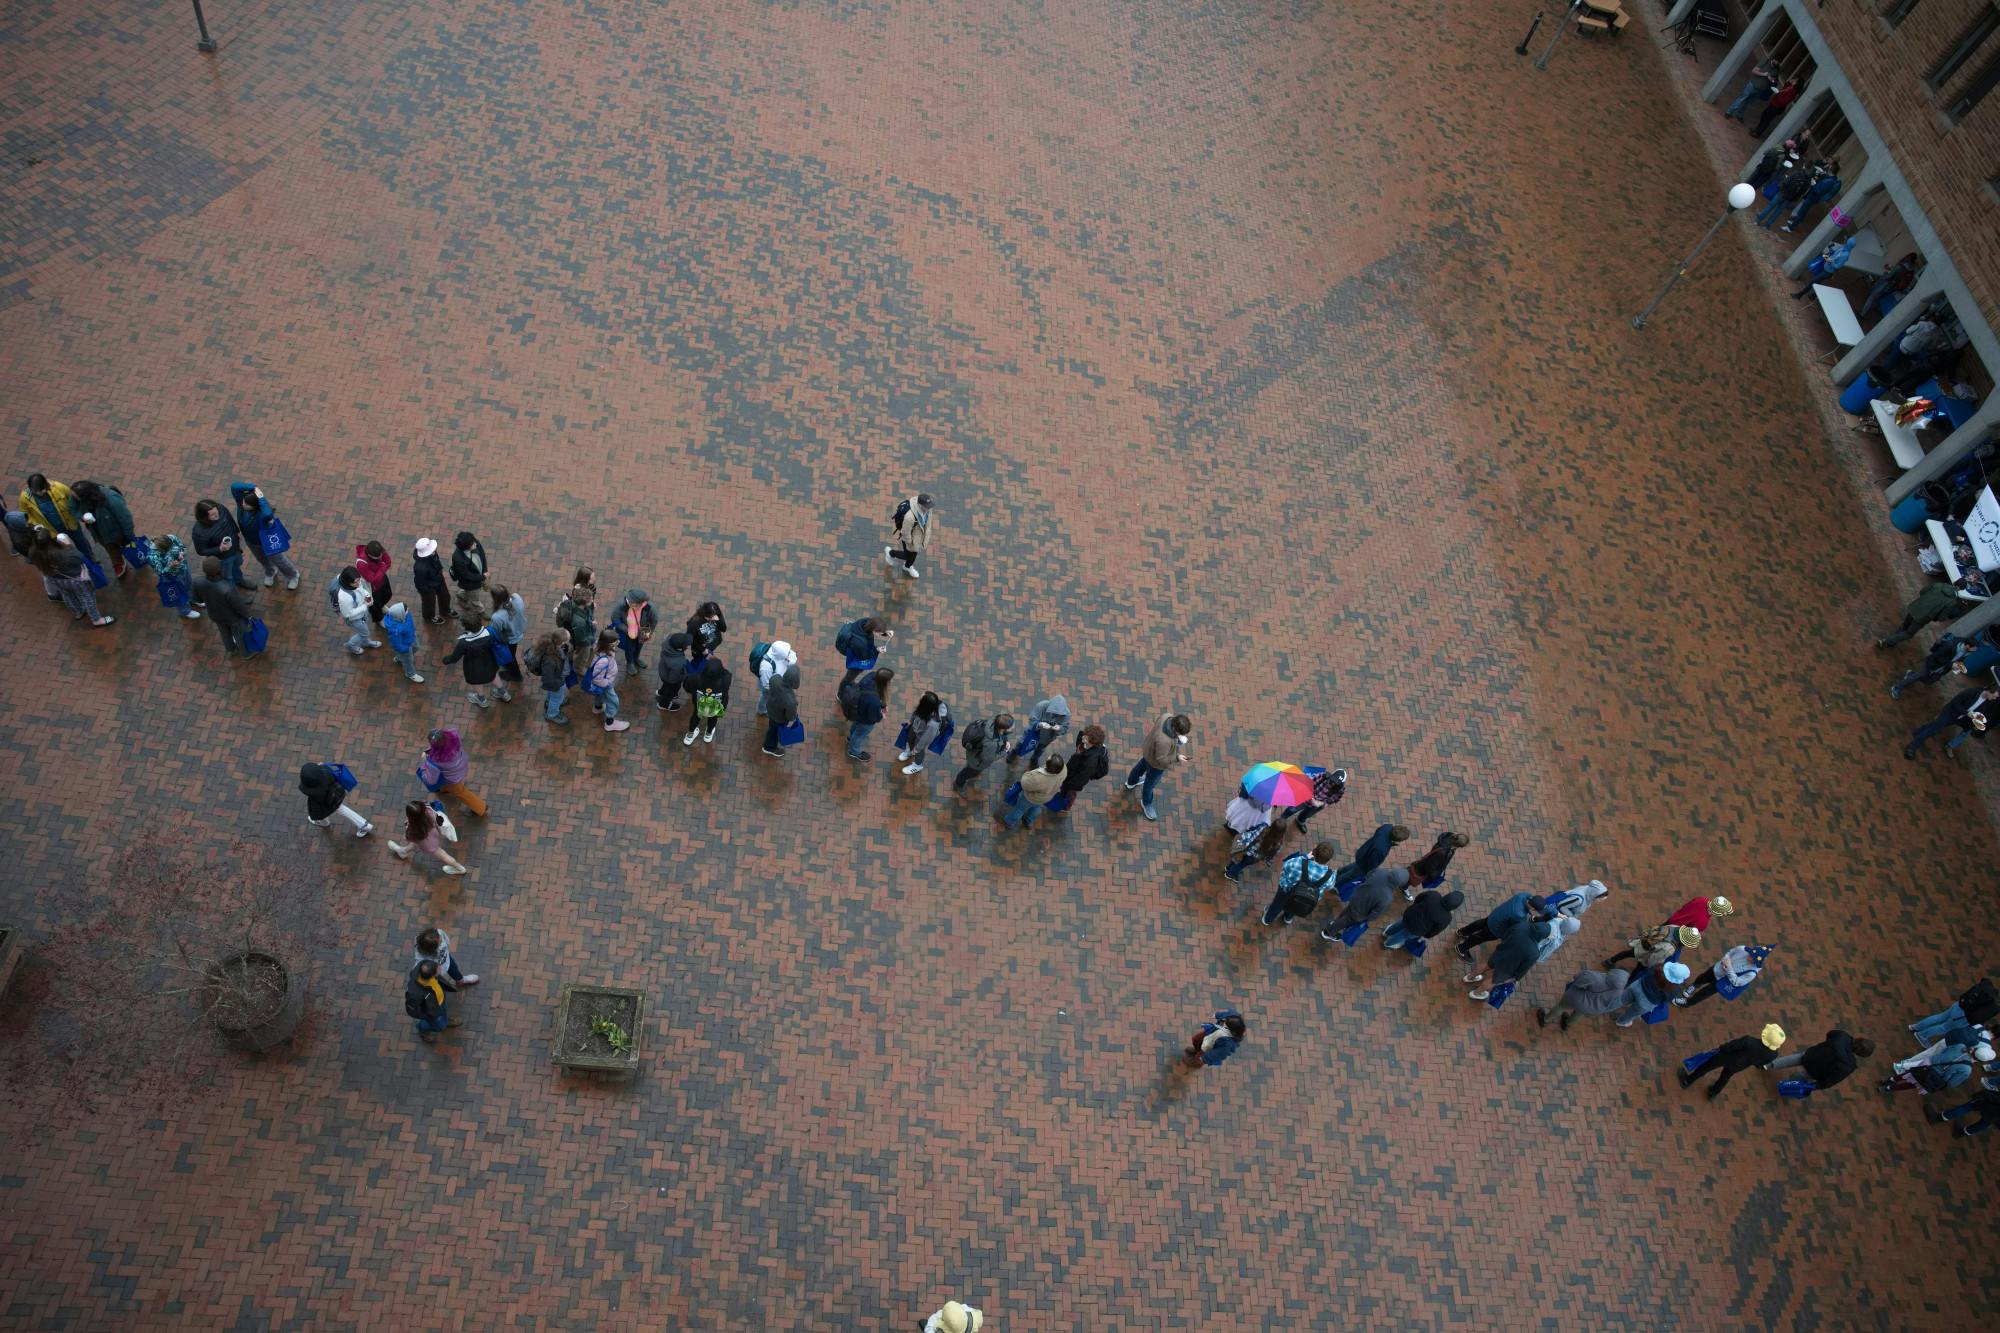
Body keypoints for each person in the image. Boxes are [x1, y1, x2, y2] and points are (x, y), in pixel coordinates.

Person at [1679, 1025, 1788, 1101]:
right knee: (1725, 1076)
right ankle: (1713, 1092)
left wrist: (1722, 1048)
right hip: (1740, 1065)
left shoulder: (1749, 1041)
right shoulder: (1773, 1054)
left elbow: (1731, 1046)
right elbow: (1760, 1064)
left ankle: (1687, 1081)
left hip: (1725, 1057)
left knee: (1706, 1067)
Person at [29, 531, 113, 626]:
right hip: (75, 580)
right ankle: (96, 619)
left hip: (55, 579)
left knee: (67, 595)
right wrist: (69, 545)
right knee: (87, 597)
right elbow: (79, 558)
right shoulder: (63, 553)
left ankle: (78, 612)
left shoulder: (33, 553)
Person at [230, 484, 301, 590]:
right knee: (261, 559)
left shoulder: (262, 515)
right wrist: (253, 488)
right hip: (252, 542)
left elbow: (268, 514)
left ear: (254, 506)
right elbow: (234, 487)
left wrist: (261, 497)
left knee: (279, 560)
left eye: (246, 503)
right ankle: (271, 571)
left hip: (267, 542)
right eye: (243, 501)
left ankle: (293, 575)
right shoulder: (242, 506)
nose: (242, 503)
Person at [1124, 712, 1192, 822]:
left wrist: (1176, 740)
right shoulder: (1164, 741)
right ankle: (1146, 803)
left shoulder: (1167, 716)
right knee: (1150, 784)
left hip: (1149, 750)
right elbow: (1162, 759)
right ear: (1176, 730)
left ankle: (1131, 782)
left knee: (1141, 766)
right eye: (1180, 733)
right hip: (1155, 764)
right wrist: (1177, 757)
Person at [1876, 578, 1979, 648]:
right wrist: (1935, 617)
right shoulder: (1951, 601)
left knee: (1904, 626)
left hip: (1915, 607)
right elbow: (1942, 617)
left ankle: (1893, 639)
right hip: (1923, 617)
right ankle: (1887, 641)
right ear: (1960, 589)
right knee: (1908, 633)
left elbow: (1922, 591)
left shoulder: (1938, 585)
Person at [1468, 918, 1551, 1003]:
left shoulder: (1521, 926)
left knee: (1486, 965)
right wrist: (1517, 978)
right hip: (1508, 967)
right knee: (1493, 980)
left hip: (1501, 952)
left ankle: (1470, 977)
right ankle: (1476, 993)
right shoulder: (1534, 953)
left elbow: (1506, 934)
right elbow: (1524, 968)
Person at [1904, 684, 2000, 758]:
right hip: (1949, 712)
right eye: (1994, 696)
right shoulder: (1972, 692)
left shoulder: (1987, 703)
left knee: (1934, 725)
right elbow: (1955, 702)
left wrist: (1976, 722)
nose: (1994, 699)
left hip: (1957, 718)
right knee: (1934, 730)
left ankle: (1917, 732)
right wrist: (1966, 713)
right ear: (1988, 691)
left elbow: (1979, 714)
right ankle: (1912, 747)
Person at [1324, 866, 1409, 944]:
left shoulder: (1381, 872)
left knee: (1347, 911)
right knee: (1346, 921)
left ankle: (1335, 923)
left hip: (1356, 896)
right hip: (1360, 912)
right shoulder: (1387, 898)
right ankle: (1328, 932)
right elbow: (1375, 914)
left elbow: (1368, 875)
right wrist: (1366, 919)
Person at [1454, 892, 1547, 961]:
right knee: (1479, 937)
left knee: (1480, 923)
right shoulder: (1520, 915)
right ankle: (1461, 948)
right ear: (1533, 908)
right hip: (1496, 929)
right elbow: (1515, 927)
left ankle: (1462, 932)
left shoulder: (1523, 895)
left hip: (1495, 915)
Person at [1769, 1031, 1871, 1092]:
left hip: (1812, 1055)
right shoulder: (1849, 1065)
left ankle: (1770, 1064)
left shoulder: (1842, 1036)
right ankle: (1785, 1086)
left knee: (1794, 1059)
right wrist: (1817, 1086)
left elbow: (1830, 1034)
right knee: (1801, 1077)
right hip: (1816, 1072)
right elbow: (1832, 1080)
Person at [71, 481, 136, 577]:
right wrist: (82, 517)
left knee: (129, 545)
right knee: (110, 548)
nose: (73, 498)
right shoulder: (76, 498)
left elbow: (125, 518)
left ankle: (135, 555)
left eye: (76, 496)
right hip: (101, 533)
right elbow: (72, 508)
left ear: (86, 496)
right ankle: (118, 563)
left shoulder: (111, 498)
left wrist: (130, 536)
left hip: (118, 532)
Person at [1675, 944, 1772, 1008]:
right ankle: (1695, 985)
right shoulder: (1742, 949)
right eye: (1751, 954)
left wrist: (1729, 968)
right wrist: (1724, 960)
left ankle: (1687, 1003)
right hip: (1717, 969)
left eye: (1753, 958)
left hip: (1722, 982)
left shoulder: (1751, 973)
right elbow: (1729, 953)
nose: (1749, 957)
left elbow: (1736, 982)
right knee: (1702, 978)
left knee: (1704, 993)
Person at [1537, 966, 1632, 1031]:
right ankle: (1567, 1023)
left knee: (1561, 1006)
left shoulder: (1596, 977)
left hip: (1575, 998)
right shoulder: (1619, 993)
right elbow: (1610, 1006)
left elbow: (1577, 979)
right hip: (1590, 1008)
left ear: (1614, 972)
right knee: (1578, 1014)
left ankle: (1545, 1019)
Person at [442, 609, 504, 708]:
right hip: (490, 662)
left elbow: (454, 658)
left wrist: (446, 660)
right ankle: (503, 693)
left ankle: (482, 700)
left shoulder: (464, 643)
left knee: (476, 682)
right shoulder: (489, 632)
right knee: (493, 675)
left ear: (466, 626)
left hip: (473, 668)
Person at [418, 728, 487, 819]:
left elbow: (431, 780)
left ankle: (480, 807)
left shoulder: (434, 761)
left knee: (461, 792)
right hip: (460, 769)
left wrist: (424, 766)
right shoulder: (454, 738)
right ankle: (444, 789)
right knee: (452, 787)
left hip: (451, 780)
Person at [1264, 843, 1337, 927]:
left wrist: (1305, 857)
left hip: (1287, 890)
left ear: (1314, 852)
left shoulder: (1298, 862)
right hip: (1307, 896)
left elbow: (1286, 866)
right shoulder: (1330, 876)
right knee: (1296, 905)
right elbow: (1330, 886)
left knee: (1277, 904)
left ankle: (1268, 919)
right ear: (1328, 860)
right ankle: (1288, 918)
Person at [388, 800, 468, 875]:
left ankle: (459, 868)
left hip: (427, 843)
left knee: (443, 855)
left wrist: (406, 833)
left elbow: (408, 837)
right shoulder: (429, 811)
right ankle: (403, 851)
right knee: (415, 844)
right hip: (433, 835)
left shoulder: (414, 827)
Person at [1882, 1041, 1993, 1095]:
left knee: (1911, 1072)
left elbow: (1944, 1051)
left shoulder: (1960, 1046)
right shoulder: (1967, 1070)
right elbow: (1952, 1082)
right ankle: (1889, 1089)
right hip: (1935, 1076)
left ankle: (1891, 1079)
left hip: (1929, 1062)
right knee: (1912, 1083)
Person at [192, 555, 253, 654]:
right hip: (233, 618)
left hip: (214, 615)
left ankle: (231, 650)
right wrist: (248, 616)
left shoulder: (197, 581)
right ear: (220, 570)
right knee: (239, 635)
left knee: (224, 633)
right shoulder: (228, 588)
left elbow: (197, 599)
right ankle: (245, 653)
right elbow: (239, 606)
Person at [1911, 978, 1999, 1044]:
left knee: (1939, 1017)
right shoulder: (1994, 1006)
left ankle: (1915, 1027)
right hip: (1963, 1017)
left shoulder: (1986, 985)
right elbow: (1978, 1017)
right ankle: (1922, 1035)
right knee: (1944, 1028)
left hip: (1959, 1005)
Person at [298, 762, 373, 837]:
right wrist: (321, 767)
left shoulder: (313, 792)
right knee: (341, 809)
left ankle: (324, 823)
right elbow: (333, 768)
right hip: (336, 794)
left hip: (325, 803)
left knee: (319, 814)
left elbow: (306, 791)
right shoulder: (326, 771)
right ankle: (364, 825)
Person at [191, 498, 252, 589]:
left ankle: (239, 580)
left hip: (235, 548)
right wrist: (220, 549)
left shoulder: (221, 509)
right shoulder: (199, 531)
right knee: (227, 577)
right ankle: (233, 594)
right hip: (222, 558)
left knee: (236, 566)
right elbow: (201, 550)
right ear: (204, 517)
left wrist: (236, 531)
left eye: (217, 512)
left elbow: (230, 520)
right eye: (213, 515)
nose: (217, 516)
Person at [1609, 960, 1691, 1028]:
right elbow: (1664, 1001)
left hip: (1637, 986)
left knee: (1620, 1000)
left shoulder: (1657, 968)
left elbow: (1646, 972)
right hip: (1646, 1003)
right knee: (1631, 1014)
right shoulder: (1673, 990)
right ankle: (1621, 1022)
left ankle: (1606, 1007)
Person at [1333, 823, 1411, 891]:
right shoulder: (1381, 850)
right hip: (1364, 864)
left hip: (1363, 852)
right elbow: (1372, 863)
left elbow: (1378, 832)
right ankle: (1335, 883)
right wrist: (1370, 872)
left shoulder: (1387, 827)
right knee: (1351, 875)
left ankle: (1338, 872)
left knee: (1354, 866)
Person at [1889, 632, 1969, 698]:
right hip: (1933, 663)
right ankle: (1897, 687)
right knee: (1920, 675)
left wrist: (1958, 667)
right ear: (1967, 645)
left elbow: (1959, 660)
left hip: (1941, 669)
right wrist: (1951, 665)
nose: (1974, 650)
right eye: (1974, 648)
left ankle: (1911, 674)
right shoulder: (1951, 646)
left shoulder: (1967, 652)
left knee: (1929, 681)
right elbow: (1937, 656)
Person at [1383, 888, 1463, 954]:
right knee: (1403, 935)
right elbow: (1436, 930)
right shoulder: (1446, 918)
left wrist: (1415, 907)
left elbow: (1419, 898)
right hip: (1417, 930)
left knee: (1400, 924)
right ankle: (1388, 944)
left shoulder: (1434, 895)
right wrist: (1427, 935)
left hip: (1410, 915)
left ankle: (1387, 933)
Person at [1048, 725, 1108, 810]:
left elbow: (1079, 781)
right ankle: (1063, 793)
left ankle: (1067, 806)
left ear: (1092, 743)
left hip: (1073, 782)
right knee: (1065, 789)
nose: (1082, 737)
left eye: (1086, 738)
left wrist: (1067, 784)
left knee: (1070, 793)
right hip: (1072, 771)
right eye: (1084, 735)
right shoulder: (1084, 743)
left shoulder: (1090, 762)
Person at [952, 713, 1014, 794]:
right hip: (977, 762)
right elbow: (987, 758)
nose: (1013, 728)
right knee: (968, 773)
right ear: (1003, 729)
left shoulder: (992, 723)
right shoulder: (991, 743)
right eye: (1012, 727)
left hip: (974, 754)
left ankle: (969, 771)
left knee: (970, 769)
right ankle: (958, 784)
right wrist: (1005, 751)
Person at [840, 666, 893, 761]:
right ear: (884, 682)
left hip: (858, 711)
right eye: (889, 680)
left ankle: (850, 738)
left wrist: (881, 704)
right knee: (860, 735)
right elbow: (873, 718)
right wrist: (881, 715)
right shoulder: (873, 700)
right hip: (865, 719)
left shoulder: (870, 676)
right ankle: (854, 752)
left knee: (856, 726)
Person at [147, 534, 204, 621]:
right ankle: (184, 611)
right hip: (172, 577)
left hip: (184, 568)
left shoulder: (171, 537)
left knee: (189, 584)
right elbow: (160, 572)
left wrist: (182, 553)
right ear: (162, 549)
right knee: (179, 593)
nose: (171, 550)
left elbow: (182, 546)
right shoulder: (152, 556)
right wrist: (170, 566)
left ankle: (192, 599)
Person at [584, 628, 631, 734]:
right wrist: (608, 683)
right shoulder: (603, 660)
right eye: (616, 642)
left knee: (599, 695)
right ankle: (610, 723)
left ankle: (598, 707)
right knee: (613, 702)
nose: (618, 643)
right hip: (605, 683)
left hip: (604, 682)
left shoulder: (600, 646)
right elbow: (597, 679)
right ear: (608, 644)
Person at [1002, 754, 1066, 830]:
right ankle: (1029, 821)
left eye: (1049, 758)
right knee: (1036, 808)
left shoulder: (1038, 779)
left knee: (1019, 809)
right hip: (1046, 797)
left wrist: (1029, 773)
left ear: (1048, 766)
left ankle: (1009, 822)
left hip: (1030, 798)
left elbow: (1024, 783)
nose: (1048, 756)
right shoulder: (1064, 769)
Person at [486, 584, 528, 697]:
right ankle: (512, 668)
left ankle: (515, 675)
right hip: (519, 630)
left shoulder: (497, 616)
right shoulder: (517, 598)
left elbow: (495, 631)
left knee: (510, 657)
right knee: (511, 654)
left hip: (509, 639)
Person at [1603, 923, 1701, 970]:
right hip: (1645, 952)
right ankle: (1628, 983)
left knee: (1629, 953)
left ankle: (1610, 961)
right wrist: (1647, 965)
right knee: (1639, 969)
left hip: (1646, 940)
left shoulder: (1675, 927)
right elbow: (1654, 958)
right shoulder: (1670, 948)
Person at [525, 629, 574, 725]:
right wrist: (558, 683)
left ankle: (549, 701)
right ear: (561, 642)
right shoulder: (550, 661)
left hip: (557, 678)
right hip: (556, 682)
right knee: (557, 697)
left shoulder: (551, 643)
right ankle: (552, 714)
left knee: (554, 695)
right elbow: (548, 679)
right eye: (566, 640)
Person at [898, 691, 952, 776]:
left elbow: (927, 738)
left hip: (922, 735)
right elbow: (916, 712)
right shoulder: (924, 708)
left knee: (919, 750)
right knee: (910, 739)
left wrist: (918, 748)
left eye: (922, 698)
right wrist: (911, 721)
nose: (920, 698)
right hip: (916, 727)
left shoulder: (933, 723)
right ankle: (909, 751)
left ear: (925, 705)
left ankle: (917, 765)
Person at [884, 491, 935, 579]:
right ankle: (891, 553)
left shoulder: (927, 510)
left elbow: (928, 524)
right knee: (908, 556)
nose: (929, 508)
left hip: (918, 537)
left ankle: (907, 566)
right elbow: (905, 532)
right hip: (910, 539)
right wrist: (911, 543)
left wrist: (925, 539)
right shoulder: (910, 517)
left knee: (912, 555)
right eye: (927, 507)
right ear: (921, 505)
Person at [1010, 693, 1071, 765]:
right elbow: (1032, 720)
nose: (1055, 715)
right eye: (1053, 713)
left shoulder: (1067, 715)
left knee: (1040, 749)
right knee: (1022, 742)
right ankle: (1015, 752)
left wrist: (1059, 728)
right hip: (1032, 732)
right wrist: (1040, 724)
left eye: (1058, 715)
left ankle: (1034, 759)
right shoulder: (1041, 706)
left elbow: (1065, 729)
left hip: (1047, 737)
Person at [683, 658, 732, 746]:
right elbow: (727, 673)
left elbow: (686, 685)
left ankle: (689, 736)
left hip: (699, 705)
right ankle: (708, 735)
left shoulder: (696, 678)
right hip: (716, 706)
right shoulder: (725, 680)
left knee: (695, 716)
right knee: (713, 718)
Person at [1789, 231, 1855, 296]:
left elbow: (1837, 266)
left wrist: (1830, 261)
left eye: (1845, 240)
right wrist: (1831, 250)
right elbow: (1835, 255)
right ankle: (1814, 295)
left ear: (1848, 244)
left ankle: (1800, 295)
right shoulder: (1842, 248)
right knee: (1817, 281)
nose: (1844, 240)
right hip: (1825, 266)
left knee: (1813, 281)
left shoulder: (1845, 255)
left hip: (1828, 272)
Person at [835, 616, 892, 689]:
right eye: (880, 633)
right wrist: (877, 650)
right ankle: (840, 693)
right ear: (874, 630)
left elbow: (874, 633)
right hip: (857, 659)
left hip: (859, 650)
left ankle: (850, 682)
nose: (880, 635)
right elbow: (864, 657)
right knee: (849, 677)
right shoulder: (860, 643)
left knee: (851, 677)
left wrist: (886, 633)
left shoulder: (866, 622)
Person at [1404, 831, 1468, 896]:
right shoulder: (1442, 853)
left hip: (1429, 864)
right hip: (1423, 870)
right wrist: (1435, 876)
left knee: (1412, 877)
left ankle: (1404, 879)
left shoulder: (1449, 838)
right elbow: (1430, 866)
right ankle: (1404, 886)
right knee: (1413, 878)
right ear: (1457, 845)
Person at [1223, 821, 1288, 884]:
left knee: (1237, 857)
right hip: (1254, 857)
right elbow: (1272, 855)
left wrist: (1244, 845)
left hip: (1246, 849)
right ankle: (1230, 874)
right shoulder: (1278, 844)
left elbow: (1252, 837)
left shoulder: (1263, 828)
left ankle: (1229, 867)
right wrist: (1268, 862)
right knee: (1241, 864)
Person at [415, 926, 479, 990]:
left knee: (453, 968)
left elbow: (446, 941)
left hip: (446, 959)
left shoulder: (439, 933)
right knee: (437, 981)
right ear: (431, 949)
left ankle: (461, 981)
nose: (441, 940)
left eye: (440, 938)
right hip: (435, 971)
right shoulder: (422, 960)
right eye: (439, 944)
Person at [333, 568, 380, 656]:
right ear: (348, 583)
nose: (359, 583)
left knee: (364, 632)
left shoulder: (356, 582)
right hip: (356, 619)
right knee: (364, 633)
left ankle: (366, 642)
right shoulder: (344, 597)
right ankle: (351, 645)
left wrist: (367, 595)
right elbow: (347, 614)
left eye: (359, 580)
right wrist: (365, 606)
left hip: (362, 612)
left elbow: (361, 589)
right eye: (356, 582)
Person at [405, 958, 453, 1039]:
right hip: (432, 1012)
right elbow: (413, 1010)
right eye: (438, 969)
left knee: (443, 1012)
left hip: (440, 1002)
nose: (440, 968)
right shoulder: (415, 994)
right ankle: (422, 1029)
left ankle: (445, 1021)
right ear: (433, 975)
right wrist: (428, 1015)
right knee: (440, 1027)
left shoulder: (425, 969)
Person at [761, 663, 801, 757]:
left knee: (772, 726)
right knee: (774, 731)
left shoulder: (776, 679)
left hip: (770, 708)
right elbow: (791, 717)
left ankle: (770, 741)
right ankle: (769, 747)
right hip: (779, 718)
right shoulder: (790, 700)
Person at [1927, 1087, 2000, 1137]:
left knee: (1968, 1107)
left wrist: (1986, 1094)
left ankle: (1938, 1118)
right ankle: (1961, 1133)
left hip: (1993, 1105)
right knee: (1986, 1122)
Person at [381, 602, 425, 683]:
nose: (408, 611)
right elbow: (396, 643)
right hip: (405, 646)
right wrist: (404, 649)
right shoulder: (395, 630)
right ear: (400, 614)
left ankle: (399, 658)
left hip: (411, 637)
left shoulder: (403, 615)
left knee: (416, 647)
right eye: (406, 610)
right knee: (408, 660)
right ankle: (410, 674)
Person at [613, 589, 656, 673]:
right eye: (629, 601)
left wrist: (648, 631)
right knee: (630, 648)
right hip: (628, 634)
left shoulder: (649, 607)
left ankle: (636, 658)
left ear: (640, 603)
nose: (629, 603)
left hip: (643, 631)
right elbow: (615, 619)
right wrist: (627, 630)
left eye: (633, 603)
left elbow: (654, 620)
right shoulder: (622, 606)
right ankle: (630, 662)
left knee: (639, 646)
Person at [555, 581, 597, 664]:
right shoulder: (579, 623)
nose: (592, 601)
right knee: (581, 660)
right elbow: (581, 640)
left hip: (582, 632)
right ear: (583, 603)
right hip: (582, 642)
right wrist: (592, 639)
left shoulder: (576, 604)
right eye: (591, 600)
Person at [351, 541, 393, 623]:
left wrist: (381, 569)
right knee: (375, 606)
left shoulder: (378, 550)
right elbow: (373, 580)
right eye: (378, 556)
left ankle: (382, 606)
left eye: (382, 554)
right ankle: (379, 620)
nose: (381, 556)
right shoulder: (361, 563)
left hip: (383, 580)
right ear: (370, 555)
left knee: (388, 595)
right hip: (373, 588)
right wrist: (382, 567)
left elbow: (388, 562)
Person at [411, 537, 451, 624]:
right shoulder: (420, 568)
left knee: (445, 596)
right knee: (429, 603)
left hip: (439, 579)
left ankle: (445, 610)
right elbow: (420, 583)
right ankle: (430, 616)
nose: (435, 550)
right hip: (429, 588)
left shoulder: (432, 554)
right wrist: (428, 590)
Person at [754, 639, 798, 716]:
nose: (789, 653)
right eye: (787, 653)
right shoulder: (766, 667)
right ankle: (762, 710)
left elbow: (793, 656)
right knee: (765, 697)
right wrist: (776, 690)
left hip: (779, 681)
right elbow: (766, 684)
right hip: (771, 687)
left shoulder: (782, 652)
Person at [655, 632, 693, 712]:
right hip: (670, 679)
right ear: (680, 649)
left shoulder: (668, 642)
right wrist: (684, 676)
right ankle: (664, 704)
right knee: (670, 691)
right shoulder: (678, 663)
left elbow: (670, 635)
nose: (687, 646)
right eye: (686, 645)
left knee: (666, 685)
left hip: (664, 671)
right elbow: (673, 680)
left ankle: (661, 692)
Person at [449, 531, 488, 601]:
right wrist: (482, 577)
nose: (476, 544)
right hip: (470, 584)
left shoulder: (472, 541)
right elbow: (467, 575)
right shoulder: (458, 559)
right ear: (466, 548)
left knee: (471, 593)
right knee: (474, 600)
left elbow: (482, 555)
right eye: (473, 544)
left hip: (478, 575)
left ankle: (462, 594)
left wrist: (484, 570)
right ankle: (477, 610)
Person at [1544, 879, 1610, 920]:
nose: (1600, 901)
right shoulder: (1579, 899)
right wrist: (1572, 917)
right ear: (1595, 894)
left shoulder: (1589, 891)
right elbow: (1561, 906)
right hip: (1557, 912)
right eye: (1600, 899)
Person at [1663, 895, 1734, 933]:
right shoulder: (1703, 923)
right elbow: (1688, 934)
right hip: (1673, 931)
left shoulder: (1702, 899)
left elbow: (1685, 906)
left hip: (1672, 919)